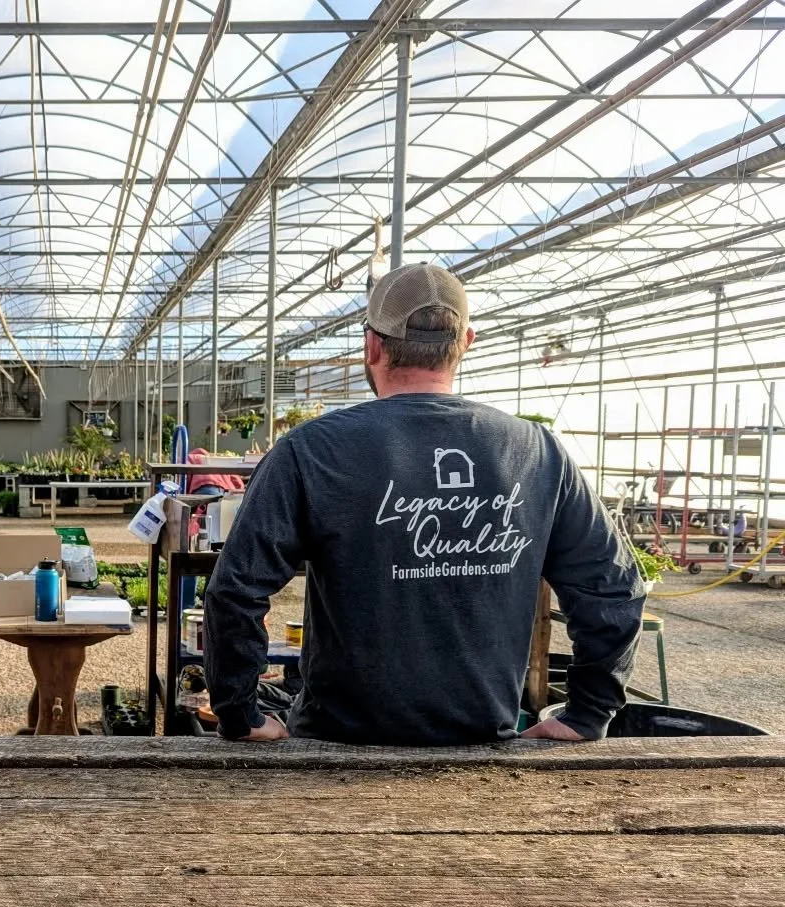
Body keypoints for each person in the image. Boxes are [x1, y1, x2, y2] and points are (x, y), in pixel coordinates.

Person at [204, 263, 644, 744]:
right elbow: (614, 590)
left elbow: (235, 588)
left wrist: (238, 711)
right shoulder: (537, 452)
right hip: (482, 751)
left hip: (334, 753)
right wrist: (586, 713)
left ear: (372, 345)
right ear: (466, 344)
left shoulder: (313, 450)